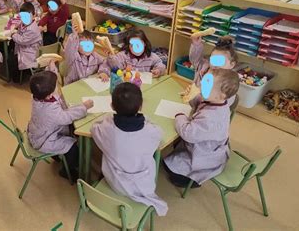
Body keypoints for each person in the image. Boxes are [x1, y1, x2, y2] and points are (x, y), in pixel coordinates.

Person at [91, 82, 168, 216]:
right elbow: (160, 134)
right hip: (143, 187)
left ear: (112, 106)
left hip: (115, 183)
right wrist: (146, 119)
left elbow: (94, 128)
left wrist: (108, 118)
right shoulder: (151, 132)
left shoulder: (107, 129)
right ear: (141, 106)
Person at [163, 68, 240, 188]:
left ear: (222, 95)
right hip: (210, 150)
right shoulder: (218, 102)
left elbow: (188, 133)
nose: (202, 88)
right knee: (175, 150)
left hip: (205, 160)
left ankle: (191, 181)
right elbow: (202, 103)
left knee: (167, 167)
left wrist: (180, 117)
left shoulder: (211, 118)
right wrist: (192, 96)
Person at [27, 70, 93, 178]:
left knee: (70, 129)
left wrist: (52, 68)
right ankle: (68, 171)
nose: (58, 87)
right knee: (72, 147)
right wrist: (84, 107)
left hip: (39, 132)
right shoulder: (48, 110)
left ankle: (57, 156)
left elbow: (47, 84)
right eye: (56, 85)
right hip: (44, 140)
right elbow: (66, 118)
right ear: (49, 95)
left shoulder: (37, 95)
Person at [184, 35, 239, 105]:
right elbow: (195, 60)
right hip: (195, 104)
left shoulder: (229, 82)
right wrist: (196, 45)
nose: (215, 64)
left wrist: (198, 97)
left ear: (232, 64)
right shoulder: (204, 67)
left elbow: (222, 103)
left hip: (210, 109)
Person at [8, 2, 43, 82]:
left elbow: (22, 40)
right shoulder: (27, 23)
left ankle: (17, 79)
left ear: (34, 16)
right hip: (26, 47)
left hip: (31, 53)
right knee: (11, 45)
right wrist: (16, 26)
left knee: (11, 59)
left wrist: (13, 33)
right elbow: (20, 26)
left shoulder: (32, 29)